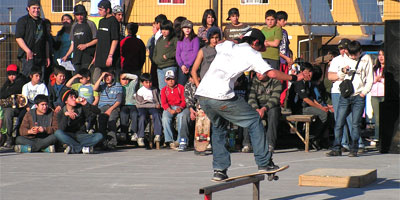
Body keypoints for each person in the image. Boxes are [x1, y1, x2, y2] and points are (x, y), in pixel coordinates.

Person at [195, 28, 305, 181]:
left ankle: (219, 170)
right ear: (255, 43)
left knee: (219, 127)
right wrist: (293, 77)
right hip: (221, 96)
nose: (261, 51)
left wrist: (235, 40)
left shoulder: (227, 45)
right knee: (254, 120)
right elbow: (271, 73)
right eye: (261, 47)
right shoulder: (252, 53)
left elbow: (217, 43)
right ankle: (264, 163)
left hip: (203, 95)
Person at [326, 40, 374, 157]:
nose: (352, 57)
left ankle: (354, 148)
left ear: (359, 52)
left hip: (358, 95)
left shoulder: (366, 59)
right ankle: (337, 147)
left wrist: (363, 93)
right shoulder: (345, 58)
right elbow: (338, 76)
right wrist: (343, 71)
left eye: (354, 55)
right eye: (350, 54)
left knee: (355, 123)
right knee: (339, 122)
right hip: (345, 95)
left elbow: (369, 78)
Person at [289, 63, 332, 148]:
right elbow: (306, 99)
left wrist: (324, 107)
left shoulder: (308, 83)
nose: (309, 74)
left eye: (310, 72)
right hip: (300, 108)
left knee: (328, 113)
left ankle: (320, 138)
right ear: (301, 72)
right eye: (306, 72)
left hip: (307, 107)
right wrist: (321, 108)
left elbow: (312, 98)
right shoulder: (298, 82)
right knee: (323, 114)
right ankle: (311, 137)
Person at [327, 39, 357, 152]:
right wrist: (341, 75)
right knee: (339, 118)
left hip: (351, 91)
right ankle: (343, 143)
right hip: (337, 91)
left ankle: (356, 142)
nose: (343, 51)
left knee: (351, 118)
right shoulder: (336, 60)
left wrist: (338, 76)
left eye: (345, 48)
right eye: (340, 48)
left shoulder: (355, 60)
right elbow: (330, 76)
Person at [55, 90, 103, 154]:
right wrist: (66, 116)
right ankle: (82, 148)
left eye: (75, 97)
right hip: (69, 136)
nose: (74, 99)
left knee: (99, 136)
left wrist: (86, 104)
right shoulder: (61, 113)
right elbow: (62, 129)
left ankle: (74, 148)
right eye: (71, 97)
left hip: (81, 135)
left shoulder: (80, 108)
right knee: (58, 133)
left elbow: (97, 112)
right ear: (66, 101)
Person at [247, 72, 282, 153]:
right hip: (257, 106)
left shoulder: (276, 82)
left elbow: (275, 99)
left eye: (261, 72)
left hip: (271, 106)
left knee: (273, 113)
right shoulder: (253, 81)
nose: (258, 74)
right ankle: (247, 143)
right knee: (248, 112)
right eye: (257, 72)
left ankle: (270, 144)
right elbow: (251, 98)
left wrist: (264, 109)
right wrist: (256, 108)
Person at [15, 0, 50, 79]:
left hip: (41, 57)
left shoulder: (42, 22)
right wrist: (28, 51)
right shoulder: (23, 21)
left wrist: (47, 56)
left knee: (40, 80)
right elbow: (18, 38)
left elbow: (46, 41)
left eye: (38, 8)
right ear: (28, 8)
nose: (36, 10)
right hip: (28, 57)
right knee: (28, 79)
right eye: (34, 8)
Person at [62, 5, 97, 75]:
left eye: (81, 14)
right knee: (76, 79)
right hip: (76, 58)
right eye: (77, 15)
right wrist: (66, 55)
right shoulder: (74, 26)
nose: (80, 17)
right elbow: (73, 43)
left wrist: (86, 45)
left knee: (86, 79)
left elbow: (96, 40)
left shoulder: (90, 24)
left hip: (88, 57)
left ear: (85, 14)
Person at [92, 0, 120, 83]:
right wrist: (95, 56)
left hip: (109, 58)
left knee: (109, 80)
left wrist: (110, 56)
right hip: (99, 57)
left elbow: (115, 39)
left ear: (107, 10)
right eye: (98, 9)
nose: (99, 12)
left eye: (101, 10)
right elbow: (99, 40)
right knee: (95, 79)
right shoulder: (101, 21)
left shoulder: (113, 21)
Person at [94, 69, 123, 149]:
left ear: (113, 76)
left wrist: (110, 110)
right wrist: (101, 77)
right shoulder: (102, 85)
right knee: (101, 121)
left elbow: (118, 101)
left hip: (113, 107)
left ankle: (112, 142)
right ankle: (102, 141)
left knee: (111, 121)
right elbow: (95, 89)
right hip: (102, 106)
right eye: (105, 76)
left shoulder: (118, 85)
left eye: (109, 75)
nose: (107, 78)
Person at [0, 64, 29, 147]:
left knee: (7, 113)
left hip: (20, 107)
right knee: (5, 113)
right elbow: (2, 93)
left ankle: (9, 137)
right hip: (9, 106)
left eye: (13, 74)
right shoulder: (7, 83)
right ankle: (6, 136)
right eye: (9, 75)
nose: (11, 77)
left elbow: (12, 91)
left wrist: (7, 94)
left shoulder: (22, 81)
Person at [66, 68, 99, 132]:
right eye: (79, 79)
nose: (80, 80)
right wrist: (75, 76)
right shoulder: (79, 85)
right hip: (79, 106)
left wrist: (91, 106)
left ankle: (89, 128)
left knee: (90, 116)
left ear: (88, 78)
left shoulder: (93, 87)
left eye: (82, 78)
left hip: (88, 106)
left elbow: (96, 98)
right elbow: (68, 84)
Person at [160, 70, 187, 149]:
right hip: (170, 107)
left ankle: (179, 140)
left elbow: (184, 100)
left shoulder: (181, 87)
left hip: (179, 107)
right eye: (168, 79)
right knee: (165, 118)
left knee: (181, 117)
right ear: (165, 80)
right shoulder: (164, 90)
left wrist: (181, 107)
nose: (170, 81)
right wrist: (169, 110)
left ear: (175, 79)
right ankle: (169, 140)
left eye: (172, 79)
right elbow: (164, 103)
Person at [134, 73, 162, 146]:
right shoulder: (140, 91)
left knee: (157, 114)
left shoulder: (155, 90)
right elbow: (140, 104)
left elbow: (159, 100)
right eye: (146, 82)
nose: (148, 84)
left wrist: (159, 105)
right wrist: (154, 105)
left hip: (153, 107)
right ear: (142, 83)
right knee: (142, 117)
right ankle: (140, 136)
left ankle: (157, 135)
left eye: (150, 82)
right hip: (143, 108)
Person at [153, 20, 178, 90]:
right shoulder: (159, 39)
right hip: (159, 67)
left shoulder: (174, 39)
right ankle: (163, 101)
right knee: (162, 89)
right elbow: (155, 51)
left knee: (171, 87)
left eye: (166, 29)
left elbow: (177, 51)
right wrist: (155, 59)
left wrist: (167, 56)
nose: (164, 31)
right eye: (162, 29)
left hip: (169, 66)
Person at [276, 11, 293, 107]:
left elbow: (286, 47)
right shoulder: (274, 31)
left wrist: (289, 58)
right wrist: (285, 57)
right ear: (278, 20)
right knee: (278, 83)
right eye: (284, 20)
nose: (285, 22)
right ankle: (277, 103)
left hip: (285, 62)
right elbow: (275, 49)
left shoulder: (284, 32)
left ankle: (282, 104)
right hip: (279, 61)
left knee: (285, 84)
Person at [176, 20, 200, 86]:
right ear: (182, 29)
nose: (187, 29)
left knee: (193, 85)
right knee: (181, 86)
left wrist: (188, 65)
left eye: (189, 28)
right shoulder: (180, 40)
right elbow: (177, 54)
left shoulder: (195, 39)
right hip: (182, 67)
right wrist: (181, 65)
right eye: (185, 27)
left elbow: (195, 53)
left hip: (192, 66)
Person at [148, 14, 168, 89]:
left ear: (159, 23)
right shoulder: (157, 35)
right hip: (156, 60)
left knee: (158, 82)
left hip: (159, 61)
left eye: (155, 24)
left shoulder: (161, 34)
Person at [119, 73, 139, 143]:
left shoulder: (131, 85)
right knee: (123, 114)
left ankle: (133, 132)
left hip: (132, 105)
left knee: (135, 114)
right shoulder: (119, 87)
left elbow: (136, 77)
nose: (125, 81)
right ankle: (123, 132)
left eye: (127, 79)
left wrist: (126, 75)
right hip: (123, 105)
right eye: (123, 79)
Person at [370, 49, 385, 142]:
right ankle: (377, 136)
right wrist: (375, 79)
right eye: (379, 55)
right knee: (377, 117)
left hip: (384, 94)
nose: (381, 57)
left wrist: (381, 79)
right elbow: (370, 80)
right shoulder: (375, 68)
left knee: (385, 116)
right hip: (375, 95)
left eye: (383, 55)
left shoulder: (390, 68)